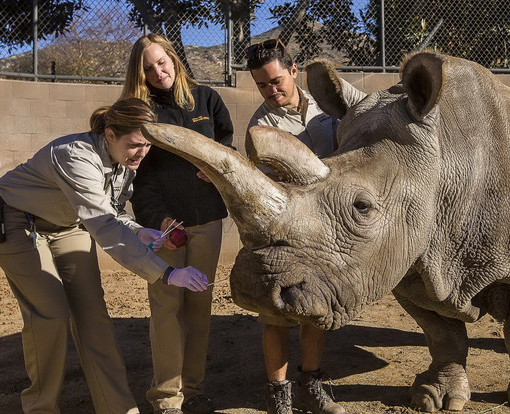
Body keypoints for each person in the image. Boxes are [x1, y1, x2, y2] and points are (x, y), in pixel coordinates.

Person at [0, 97, 209, 414]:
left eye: (147, 145)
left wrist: (138, 230)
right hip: (18, 222)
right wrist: (168, 274)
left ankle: (118, 409)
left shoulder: (124, 159)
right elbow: (103, 226)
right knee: (51, 313)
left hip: (69, 226)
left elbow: (112, 212)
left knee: (94, 318)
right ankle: (40, 408)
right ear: (110, 134)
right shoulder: (76, 156)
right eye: (134, 145)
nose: (141, 153)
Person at [121, 33, 234, 414]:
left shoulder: (207, 100)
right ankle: (167, 398)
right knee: (166, 307)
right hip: (166, 226)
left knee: (199, 306)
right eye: (148, 67)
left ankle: (195, 388)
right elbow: (139, 177)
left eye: (162, 62)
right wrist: (158, 220)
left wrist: (217, 169)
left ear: (174, 59)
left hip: (207, 220)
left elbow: (227, 149)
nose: (158, 72)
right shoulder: (141, 111)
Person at [246, 38, 352, 414]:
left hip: (331, 226)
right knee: (277, 312)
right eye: (261, 85)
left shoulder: (329, 106)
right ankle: (280, 396)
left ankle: (312, 384)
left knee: (317, 307)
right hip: (288, 230)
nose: (271, 90)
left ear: (293, 71)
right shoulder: (261, 124)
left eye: (276, 80)